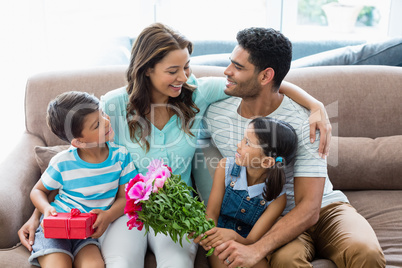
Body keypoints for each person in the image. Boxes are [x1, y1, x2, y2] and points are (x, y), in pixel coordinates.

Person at [19, 23, 332, 267]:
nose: (184, 77)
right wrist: (40, 215)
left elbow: (264, 83)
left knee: (177, 263)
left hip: (177, 209)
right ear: (147, 70)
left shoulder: (198, 93)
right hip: (124, 210)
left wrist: (315, 104)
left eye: (187, 67)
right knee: (120, 262)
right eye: (173, 71)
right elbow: (79, 158)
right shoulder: (112, 106)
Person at [201, 27, 386, 268]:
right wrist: (314, 101)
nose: (227, 72)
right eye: (230, 63)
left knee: (366, 251)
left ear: (266, 76)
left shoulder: (305, 120)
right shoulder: (216, 110)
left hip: (326, 208)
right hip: (274, 217)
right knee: (287, 261)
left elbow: (310, 208)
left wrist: (256, 249)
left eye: (238, 67)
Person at [27, 91, 138, 267]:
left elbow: (126, 198)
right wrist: (46, 208)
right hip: (55, 230)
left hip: (86, 233)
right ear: (79, 142)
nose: (107, 121)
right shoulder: (63, 162)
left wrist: (108, 215)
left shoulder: (121, 156)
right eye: (97, 125)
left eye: (102, 114)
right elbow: (38, 190)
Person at [194, 117, 298, 268]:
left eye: (247, 143)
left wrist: (233, 236)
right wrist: (211, 235)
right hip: (217, 238)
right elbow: (212, 213)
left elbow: (252, 241)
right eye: (243, 139)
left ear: (267, 162)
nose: (239, 144)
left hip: (247, 246)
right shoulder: (226, 168)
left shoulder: (277, 199)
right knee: (223, 255)